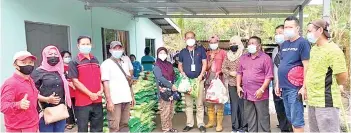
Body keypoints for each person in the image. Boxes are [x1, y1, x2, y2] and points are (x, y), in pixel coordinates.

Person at [305, 19, 348, 132]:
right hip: (313, 101)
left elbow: (342, 76)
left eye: (309, 31)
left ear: (320, 30)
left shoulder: (333, 50)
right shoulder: (314, 49)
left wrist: (335, 85)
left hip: (326, 102)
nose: (307, 34)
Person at [276, 16, 311, 132]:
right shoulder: (284, 44)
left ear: (297, 28)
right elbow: (282, 65)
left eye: (290, 27)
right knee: (290, 118)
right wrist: (278, 84)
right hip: (285, 87)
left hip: (295, 88)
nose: (287, 29)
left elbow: (307, 66)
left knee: (297, 121)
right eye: (286, 27)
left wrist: (304, 87)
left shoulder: (303, 43)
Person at [31, 45, 72, 132]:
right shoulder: (38, 73)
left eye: (55, 54)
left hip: (60, 111)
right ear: (45, 56)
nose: (53, 56)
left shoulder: (60, 71)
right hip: (45, 112)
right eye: (50, 54)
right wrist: (46, 99)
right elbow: (31, 92)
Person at [237, 36, 273, 132]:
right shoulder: (243, 58)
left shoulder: (266, 58)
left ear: (259, 46)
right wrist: (238, 86)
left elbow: (269, 76)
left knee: (263, 118)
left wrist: (261, 89)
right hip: (247, 93)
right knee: (250, 118)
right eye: (249, 43)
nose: (250, 45)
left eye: (253, 43)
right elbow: (239, 73)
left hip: (260, 94)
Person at [68, 36, 104, 132]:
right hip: (82, 102)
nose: (86, 46)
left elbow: (99, 77)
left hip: (97, 100)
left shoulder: (95, 60)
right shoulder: (74, 62)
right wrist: (90, 94)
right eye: (83, 44)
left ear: (91, 45)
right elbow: (75, 81)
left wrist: (101, 90)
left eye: (87, 44)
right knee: (83, 129)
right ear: (78, 46)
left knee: (97, 128)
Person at [1, 51, 40, 132]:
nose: (28, 65)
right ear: (15, 65)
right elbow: (3, 106)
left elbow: (34, 96)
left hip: (32, 125)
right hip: (19, 129)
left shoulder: (30, 80)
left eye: (30, 62)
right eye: (23, 62)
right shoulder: (10, 84)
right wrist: (18, 105)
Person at [101, 41, 135, 132]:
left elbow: (128, 82)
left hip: (126, 99)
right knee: (114, 126)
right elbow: (105, 84)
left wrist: (132, 96)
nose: (117, 50)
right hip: (115, 101)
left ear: (122, 49)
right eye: (114, 48)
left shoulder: (124, 62)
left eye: (119, 48)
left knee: (124, 124)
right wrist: (109, 101)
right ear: (110, 50)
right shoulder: (106, 64)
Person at [178, 31, 207, 133]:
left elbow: (204, 63)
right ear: (185, 39)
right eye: (188, 37)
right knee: (188, 104)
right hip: (187, 82)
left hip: (198, 80)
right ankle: (189, 124)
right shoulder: (182, 52)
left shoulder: (201, 50)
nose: (190, 39)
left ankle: (200, 124)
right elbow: (180, 65)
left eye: (192, 37)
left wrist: (201, 75)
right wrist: (182, 73)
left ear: (195, 38)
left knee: (199, 104)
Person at [221, 36, 246, 132]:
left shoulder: (245, 54)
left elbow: (249, 66)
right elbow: (223, 68)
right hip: (232, 84)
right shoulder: (228, 55)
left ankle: (243, 127)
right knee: (234, 106)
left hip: (244, 83)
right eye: (230, 44)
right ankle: (235, 127)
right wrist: (230, 73)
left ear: (239, 43)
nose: (232, 46)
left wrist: (240, 73)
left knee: (243, 106)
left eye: (234, 43)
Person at [272, 25, 293, 132]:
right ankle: (283, 128)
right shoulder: (275, 50)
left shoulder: (292, 49)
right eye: (276, 33)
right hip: (276, 85)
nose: (278, 35)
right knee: (279, 109)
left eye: (280, 33)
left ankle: (290, 128)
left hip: (288, 85)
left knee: (290, 111)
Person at [204, 35, 227, 132]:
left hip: (219, 80)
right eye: (211, 42)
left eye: (215, 42)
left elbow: (226, 66)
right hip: (209, 79)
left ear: (218, 42)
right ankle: (211, 121)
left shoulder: (223, 53)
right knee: (209, 101)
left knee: (219, 101)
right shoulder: (207, 53)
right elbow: (205, 68)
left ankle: (219, 124)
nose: (213, 44)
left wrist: (220, 71)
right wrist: (212, 59)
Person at [153, 47, 178, 133]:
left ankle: (170, 127)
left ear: (167, 54)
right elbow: (160, 78)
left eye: (164, 53)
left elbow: (173, 74)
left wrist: (174, 84)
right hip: (163, 91)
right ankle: (165, 129)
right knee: (165, 111)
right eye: (160, 53)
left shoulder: (169, 64)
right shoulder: (156, 66)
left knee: (171, 110)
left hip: (171, 90)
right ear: (157, 54)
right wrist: (171, 85)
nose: (162, 54)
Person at [61, 50, 77, 130]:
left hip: (75, 89)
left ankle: (79, 120)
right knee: (68, 107)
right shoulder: (60, 68)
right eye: (65, 57)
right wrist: (69, 83)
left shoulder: (73, 65)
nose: (67, 58)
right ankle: (70, 122)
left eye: (68, 56)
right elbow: (62, 78)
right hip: (67, 91)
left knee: (77, 106)